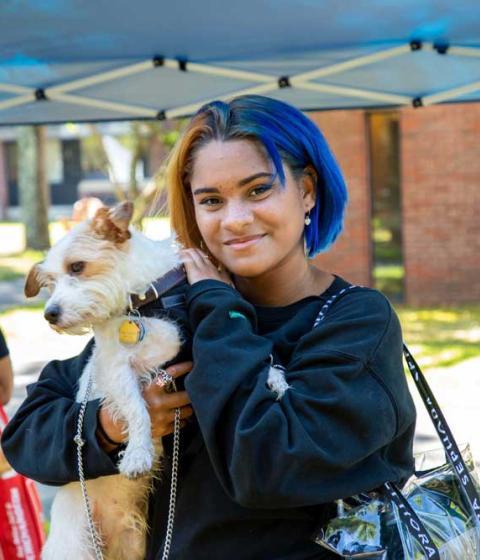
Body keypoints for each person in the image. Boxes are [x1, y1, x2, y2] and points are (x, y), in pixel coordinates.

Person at [1, 95, 416, 559]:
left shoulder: (354, 320)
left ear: (307, 192)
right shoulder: (168, 309)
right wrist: (112, 425)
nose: (235, 219)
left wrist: (219, 307)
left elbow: (267, 465)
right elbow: (26, 436)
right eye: (212, 200)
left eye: (259, 190)